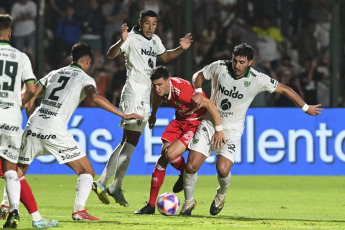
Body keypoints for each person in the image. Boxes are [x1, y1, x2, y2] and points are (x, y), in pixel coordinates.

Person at [179, 43, 323, 216]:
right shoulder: (220, 67)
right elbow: (198, 75)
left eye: (241, 62)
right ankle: (188, 202)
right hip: (209, 124)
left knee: (223, 170)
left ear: (250, 62)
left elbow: (285, 89)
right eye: (235, 61)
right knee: (191, 166)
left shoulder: (258, 79)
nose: (237, 65)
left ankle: (221, 194)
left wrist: (306, 108)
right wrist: (199, 90)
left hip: (232, 130)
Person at [16, 43, 143, 221]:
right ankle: (79, 211)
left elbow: (30, 94)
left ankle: (6, 206)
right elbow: (95, 97)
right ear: (88, 62)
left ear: (71, 59)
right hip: (55, 128)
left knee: (18, 172)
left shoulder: (54, 73)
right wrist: (122, 113)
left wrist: (30, 118)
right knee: (87, 172)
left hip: (34, 124)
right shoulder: (85, 79)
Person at [92, 9, 192, 207]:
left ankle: (114, 185)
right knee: (130, 142)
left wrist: (181, 49)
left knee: (128, 142)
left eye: (154, 24)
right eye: (147, 23)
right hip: (134, 93)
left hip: (146, 96)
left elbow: (165, 57)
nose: (150, 27)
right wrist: (121, 41)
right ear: (140, 22)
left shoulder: (155, 40)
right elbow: (111, 54)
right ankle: (104, 183)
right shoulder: (130, 37)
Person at [134, 66, 225, 214]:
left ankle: (184, 174)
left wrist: (218, 129)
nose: (157, 88)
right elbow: (157, 97)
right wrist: (153, 114)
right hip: (179, 121)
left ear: (168, 81)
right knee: (162, 157)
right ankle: (150, 205)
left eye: (160, 85)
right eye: (154, 85)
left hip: (195, 122)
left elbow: (209, 104)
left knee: (170, 154)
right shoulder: (160, 90)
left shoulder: (184, 93)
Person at [0, 14, 37, 228]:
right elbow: (32, 89)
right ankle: (14, 210)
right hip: (12, 117)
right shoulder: (21, 57)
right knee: (10, 168)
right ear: (10, 32)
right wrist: (16, 104)